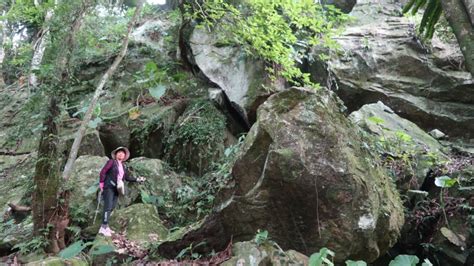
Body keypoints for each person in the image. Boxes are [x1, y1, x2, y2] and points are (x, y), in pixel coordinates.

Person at [98, 146, 145, 236]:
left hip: (117, 189)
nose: (121, 154)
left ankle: (106, 226)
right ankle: (103, 227)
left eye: (123, 153)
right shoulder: (111, 162)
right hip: (109, 187)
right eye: (119, 152)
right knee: (107, 207)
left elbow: (127, 178)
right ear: (115, 154)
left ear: (124, 156)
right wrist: (101, 184)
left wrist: (138, 179)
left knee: (112, 207)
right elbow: (103, 172)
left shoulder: (123, 166)